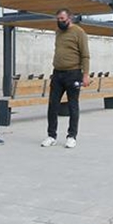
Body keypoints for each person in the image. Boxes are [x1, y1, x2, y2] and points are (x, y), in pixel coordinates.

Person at [41, 9, 90, 149]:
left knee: (73, 105)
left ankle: (71, 136)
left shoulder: (79, 32)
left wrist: (85, 75)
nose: (60, 21)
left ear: (70, 18)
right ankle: (51, 135)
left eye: (62, 18)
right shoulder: (58, 32)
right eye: (58, 19)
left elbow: (85, 55)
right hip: (57, 74)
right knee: (52, 105)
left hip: (73, 73)